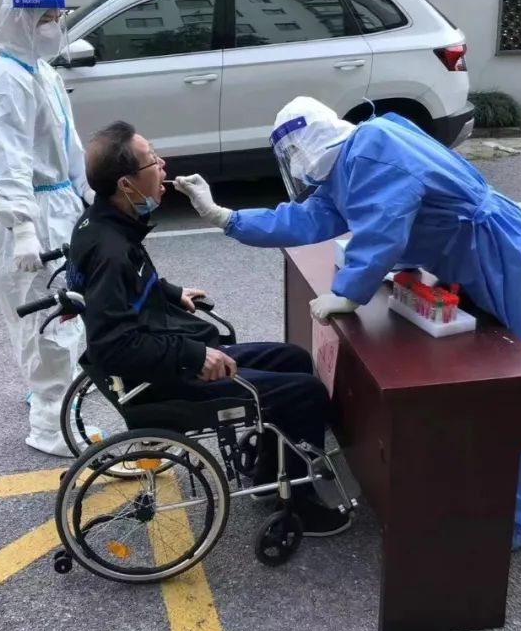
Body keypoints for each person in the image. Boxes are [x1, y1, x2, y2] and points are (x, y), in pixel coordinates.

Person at [174, 96, 521, 550]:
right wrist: (226, 217)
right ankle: (475, 483)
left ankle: (520, 509)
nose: (295, 164)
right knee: (478, 377)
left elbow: (383, 227)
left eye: (292, 152)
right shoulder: (346, 165)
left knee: (515, 381)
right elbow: (304, 220)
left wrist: (348, 293)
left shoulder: (373, 147)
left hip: (498, 251)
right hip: (463, 255)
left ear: (306, 142)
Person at [66, 120, 352, 537]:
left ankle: (271, 474)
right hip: (163, 379)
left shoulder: (101, 224)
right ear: (126, 184)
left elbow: (127, 287)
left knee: (293, 357)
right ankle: (303, 507)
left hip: (165, 349)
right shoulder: (111, 250)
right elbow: (113, 344)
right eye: (152, 161)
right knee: (305, 392)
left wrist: (169, 293)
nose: (162, 166)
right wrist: (195, 355)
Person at [0, 0, 94, 457]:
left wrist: (87, 191)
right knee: (47, 319)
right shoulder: (4, 81)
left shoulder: (42, 73)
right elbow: (4, 158)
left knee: (66, 310)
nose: (53, 27)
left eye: (57, 18)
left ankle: (54, 394)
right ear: (19, 20)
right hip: (33, 212)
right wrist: (22, 225)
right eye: (45, 19)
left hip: (58, 206)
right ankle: (51, 424)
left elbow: (68, 144)